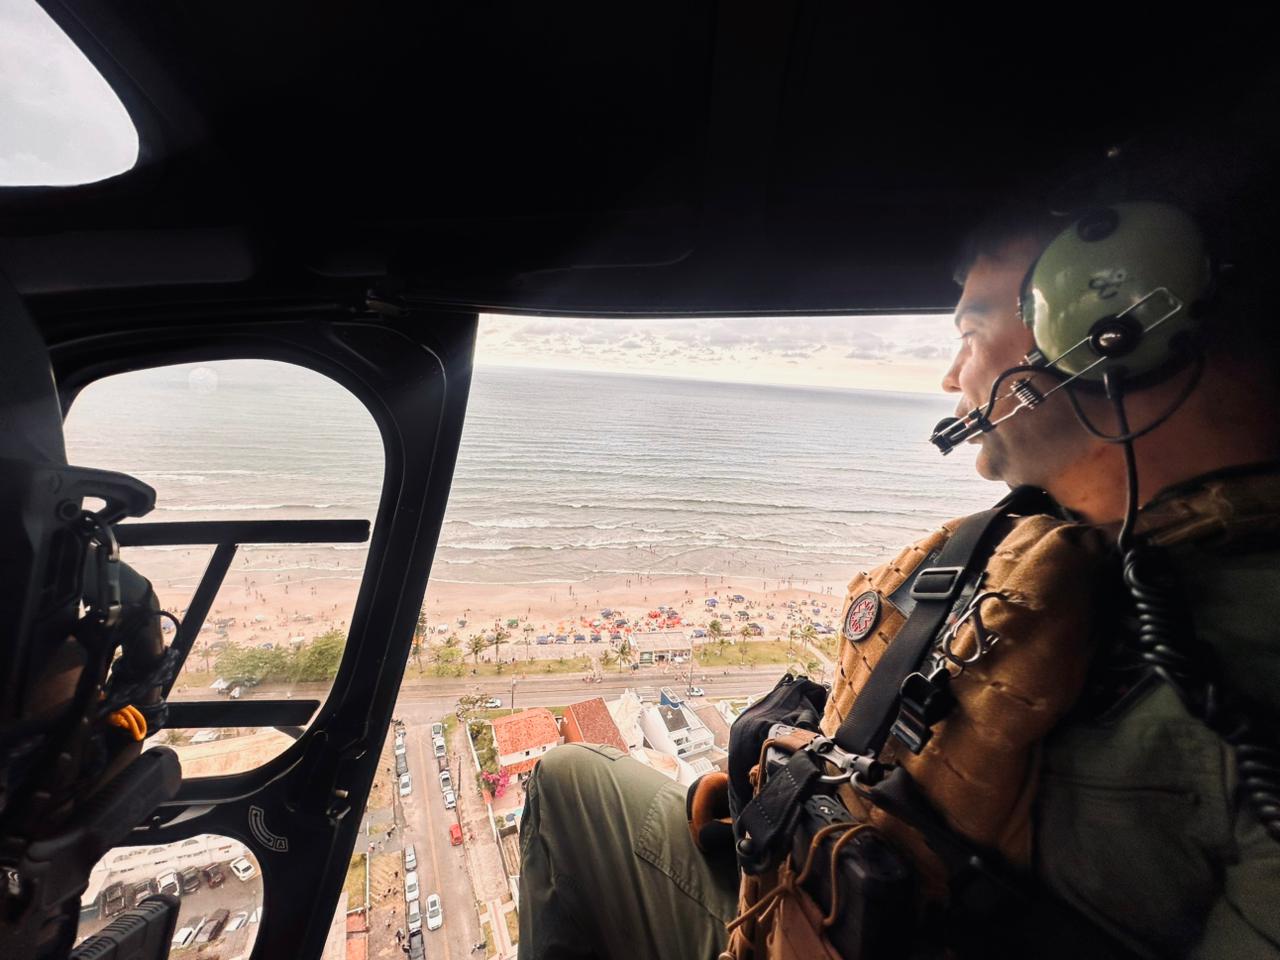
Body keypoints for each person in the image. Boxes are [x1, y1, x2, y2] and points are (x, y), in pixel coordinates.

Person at [517, 134, 1280, 959]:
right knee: (573, 778)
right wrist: (774, 801)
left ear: (1109, 328)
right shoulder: (1032, 548)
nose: (953, 378)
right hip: (810, 888)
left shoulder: (1238, 653)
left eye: (972, 330)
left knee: (569, 788)